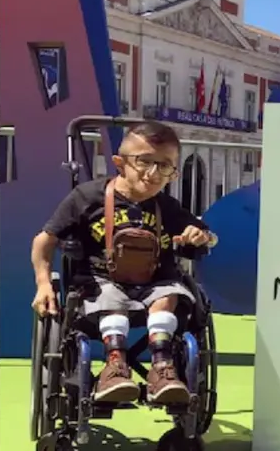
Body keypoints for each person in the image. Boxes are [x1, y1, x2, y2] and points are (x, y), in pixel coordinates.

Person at [30, 121, 215, 406]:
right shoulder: (86, 197)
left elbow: (207, 236)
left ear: (174, 171)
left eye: (164, 166)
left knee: (169, 295)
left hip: (155, 284)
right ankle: (114, 368)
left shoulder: (167, 206)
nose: (153, 173)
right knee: (110, 298)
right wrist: (43, 284)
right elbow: (45, 239)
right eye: (144, 162)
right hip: (101, 283)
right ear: (119, 163)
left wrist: (202, 237)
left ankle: (162, 368)